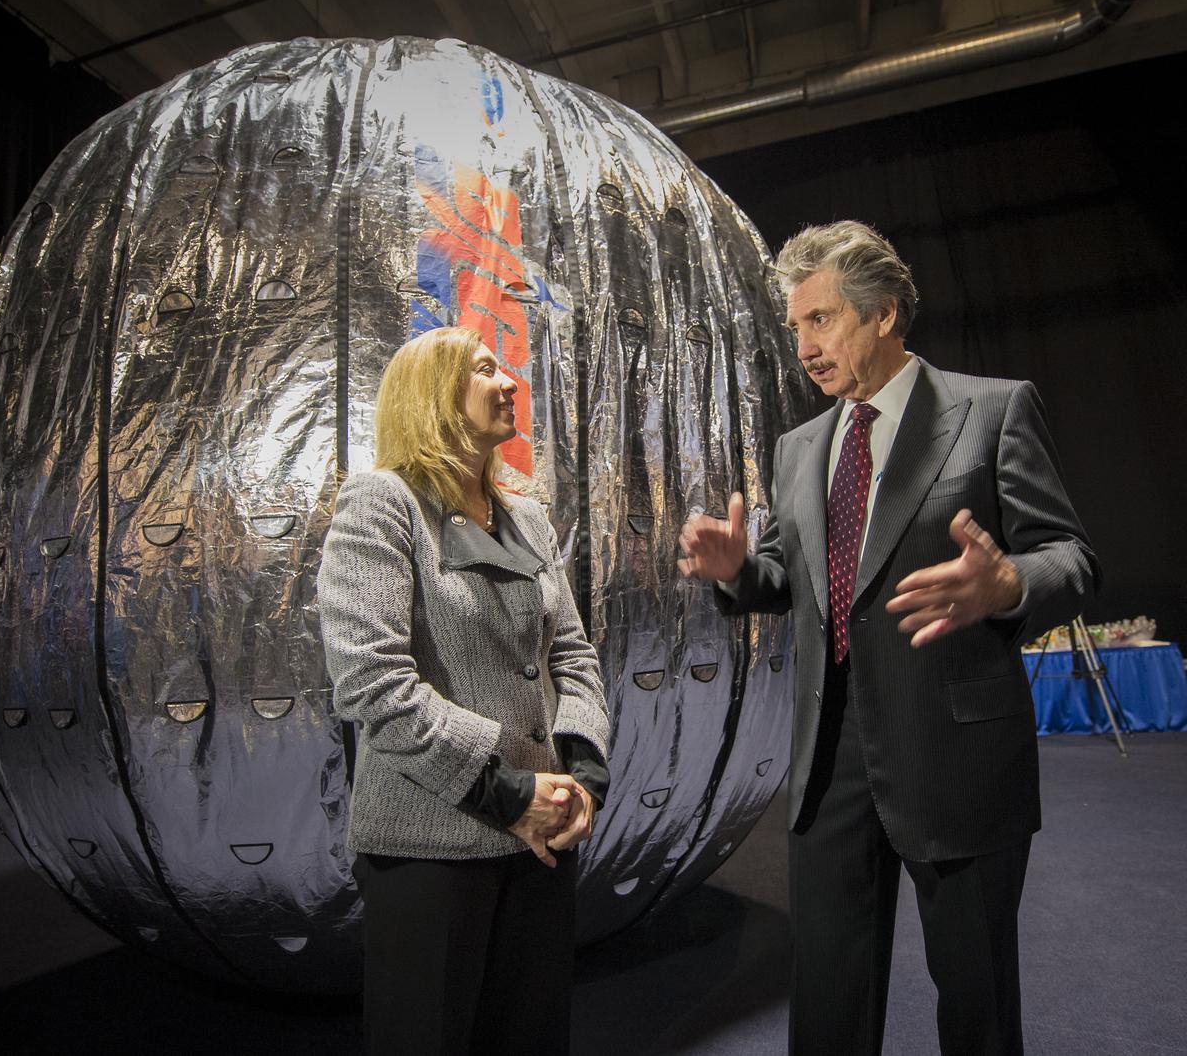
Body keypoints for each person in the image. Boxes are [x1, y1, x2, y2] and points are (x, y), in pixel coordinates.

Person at [678, 221, 1098, 1055]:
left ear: (886, 314)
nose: (804, 346)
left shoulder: (992, 410)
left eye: (822, 319)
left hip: (956, 758)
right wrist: (737, 569)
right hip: (830, 760)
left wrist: (1009, 583)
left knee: (976, 1006)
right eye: (796, 326)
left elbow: (1074, 558)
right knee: (828, 1007)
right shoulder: (800, 448)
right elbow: (789, 574)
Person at [317, 325, 610, 1055]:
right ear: (433, 395)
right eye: (485, 369)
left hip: (540, 838)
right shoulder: (382, 503)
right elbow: (373, 681)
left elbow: (570, 651)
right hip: (431, 848)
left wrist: (582, 774)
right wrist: (506, 795)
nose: (509, 380)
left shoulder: (528, 516)